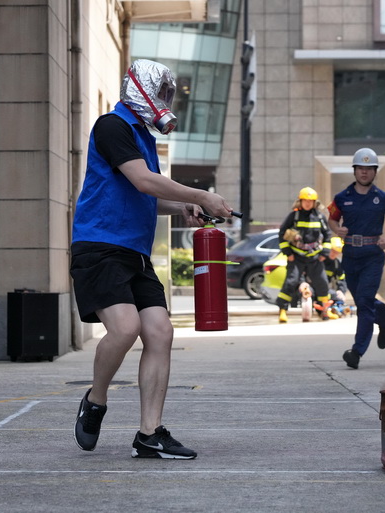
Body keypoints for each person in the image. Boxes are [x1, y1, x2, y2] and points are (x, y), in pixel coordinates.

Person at [70, 59, 233, 459]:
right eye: (162, 92)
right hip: (100, 246)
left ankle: (149, 433)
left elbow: (145, 194)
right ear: (142, 89)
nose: (166, 101)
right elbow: (143, 180)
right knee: (125, 329)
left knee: (160, 332)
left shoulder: (142, 137)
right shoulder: (112, 126)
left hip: (134, 252)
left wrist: (180, 209)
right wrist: (198, 195)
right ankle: (96, 399)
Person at [327, 148, 385, 369]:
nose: (365, 172)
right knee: (362, 300)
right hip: (350, 255)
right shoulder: (341, 198)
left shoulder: (383, 198)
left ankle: (357, 352)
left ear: (375, 171)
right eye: (361, 168)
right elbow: (332, 219)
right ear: (355, 170)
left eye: (369, 169)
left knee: (365, 302)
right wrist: (336, 229)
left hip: (373, 257)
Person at [276, 187, 332, 323]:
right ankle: (282, 311)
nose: (307, 203)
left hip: (315, 257)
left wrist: (325, 252)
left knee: (322, 283)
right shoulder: (293, 216)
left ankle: (324, 311)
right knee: (291, 282)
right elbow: (282, 234)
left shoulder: (320, 217)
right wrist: (288, 253)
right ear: (300, 201)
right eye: (305, 201)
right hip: (296, 257)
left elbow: (327, 235)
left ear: (315, 203)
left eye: (310, 201)